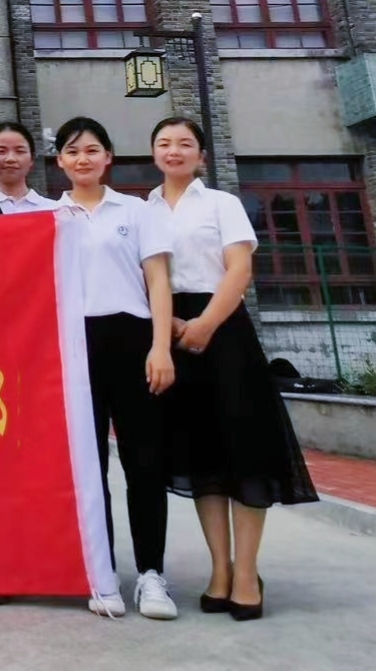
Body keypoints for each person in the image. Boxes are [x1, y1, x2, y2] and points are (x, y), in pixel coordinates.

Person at [147, 116, 317, 622]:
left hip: (225, 331)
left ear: (201, 155)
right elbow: (146, 276)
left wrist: (204, 325)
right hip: (170, 328)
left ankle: (247, 573)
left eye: (184, 143)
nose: (173, 151)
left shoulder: (222, 204)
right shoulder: (143, 209)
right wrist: (174, 326)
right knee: (203, 456)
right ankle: (219, 569)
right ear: (153, 153)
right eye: (164, 143)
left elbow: (240, 269)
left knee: (245, 450)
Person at [53, 116, 178, 622]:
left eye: (91, 150)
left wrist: (161, 347)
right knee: (89, 467)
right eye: (72, 151)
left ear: (108, 157)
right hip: (75, 347)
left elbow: (159, 281)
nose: (82, 159)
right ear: (59, 161)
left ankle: (151, 574)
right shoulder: (50, 217)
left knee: (144, 462)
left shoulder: (137, 210)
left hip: (133, 340)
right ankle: (100, 573)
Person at [0, 120, 59, 214]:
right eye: (1, 151)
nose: (10, 159)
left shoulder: (55, 210)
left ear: (32, 159)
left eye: (20, 151)